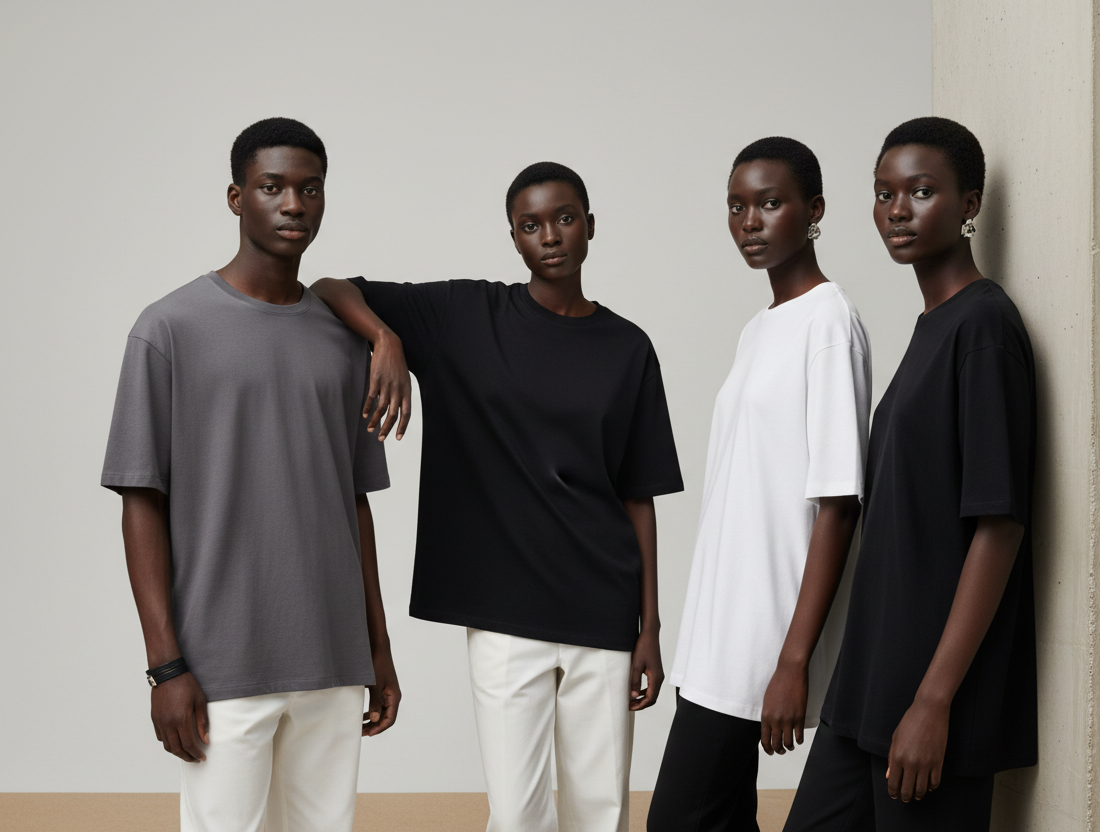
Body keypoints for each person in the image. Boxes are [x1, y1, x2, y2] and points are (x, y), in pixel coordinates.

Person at [311, 161, 684, 832]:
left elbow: (639, 496)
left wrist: (649, 629)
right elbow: (329, 287)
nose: (550, 235)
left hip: (604, 610)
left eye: (565, 218)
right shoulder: (466, 316)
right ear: (513, 238)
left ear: (590, 227)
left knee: (601, 814)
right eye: (531, 224)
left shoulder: (628, 348)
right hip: (506, 619)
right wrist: (386, 338)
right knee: (516, 816)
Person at [101, 117, 400, 832]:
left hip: (331, 660)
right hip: (221, 667)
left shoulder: (341, 340)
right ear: (237, 198)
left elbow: (352, 503)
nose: (293, 204)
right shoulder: (169, 329)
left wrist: (378, 650)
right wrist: (166, 667)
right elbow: (141, 500)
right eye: (273, 187)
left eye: (309, 188)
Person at [784, 117, 1037, 832]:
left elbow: (999, 526)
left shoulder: (984, 329)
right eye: (884, 192)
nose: (897, 209)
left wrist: (933, 703)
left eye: (922, 191)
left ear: (969, 204)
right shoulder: (932, 329)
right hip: (867, 688)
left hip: (930, 704)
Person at [646, 137, 872, 832]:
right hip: (718, 634)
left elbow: (838, 503)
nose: (750, 221)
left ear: (814, 211)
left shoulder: (829, 323)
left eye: (770, 203)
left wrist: (793, 661)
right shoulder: (758, 329)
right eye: (737, 206)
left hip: (765, 637)